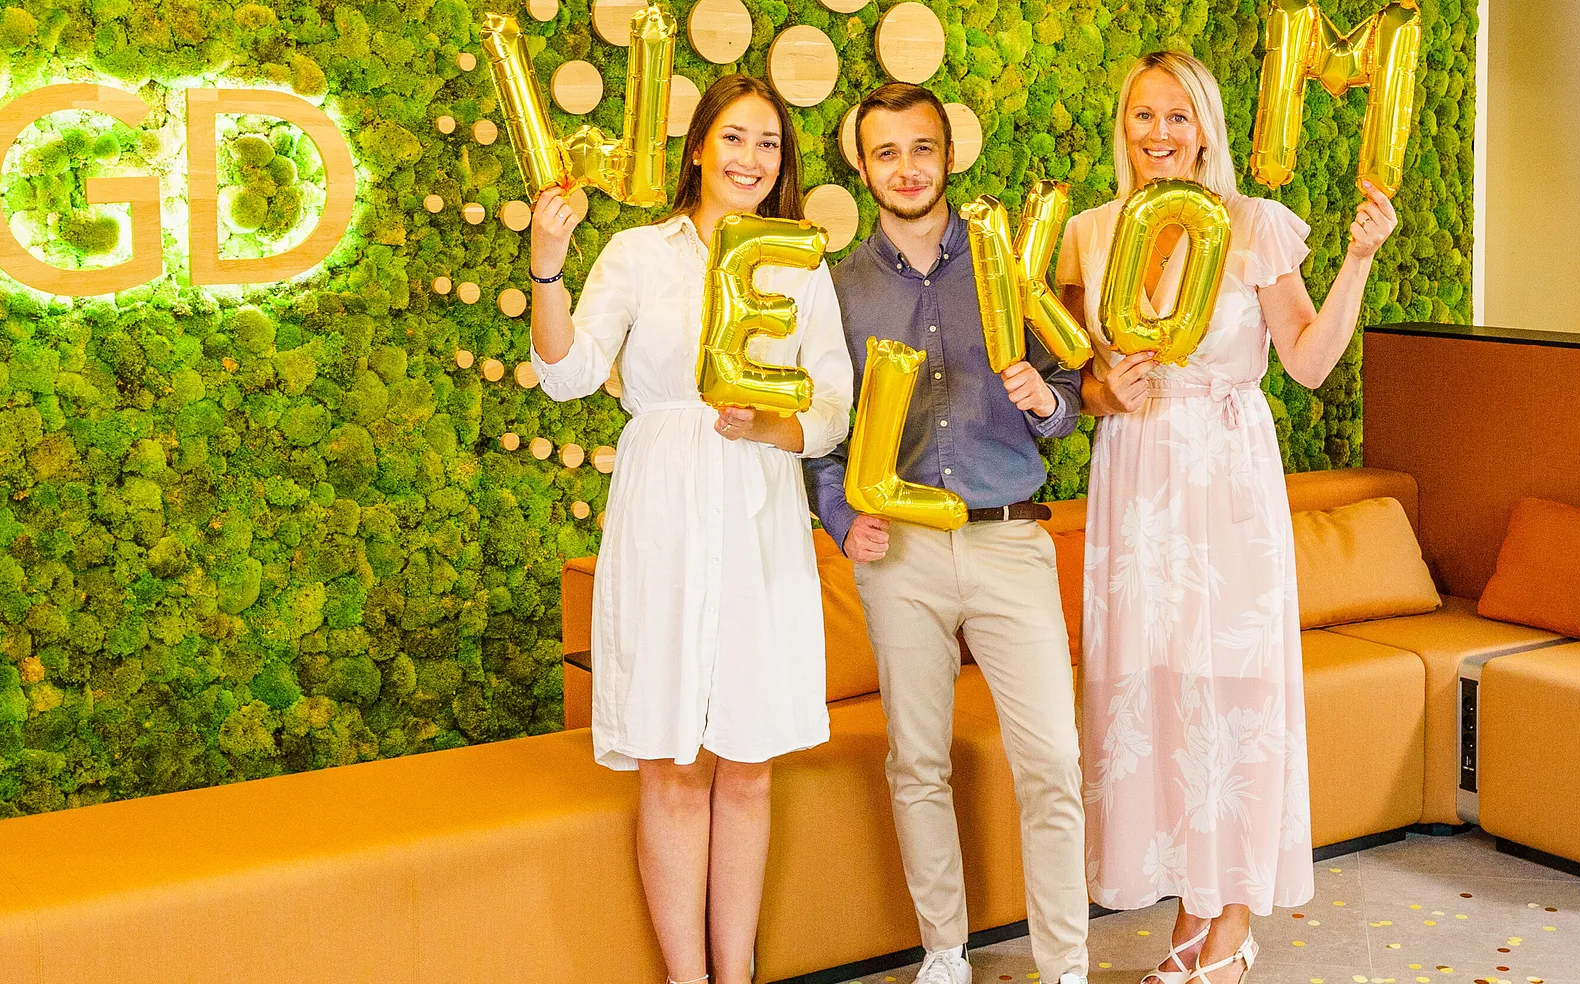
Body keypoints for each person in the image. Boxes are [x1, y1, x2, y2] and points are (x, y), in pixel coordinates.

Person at [1055, 51, 1397, 984]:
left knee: (1232, 688)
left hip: (1228, 477)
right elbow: (1075, 387)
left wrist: (1359, 258)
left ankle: (1234, 918)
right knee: (1158, 689)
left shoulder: (1254, 227)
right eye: (1141, 116)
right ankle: (1191, 906)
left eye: (1177, 116)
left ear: (1206, 127)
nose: (1158, 134)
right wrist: (1101, 391)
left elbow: (1310, 361)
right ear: (1121, 126)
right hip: (1135, 479)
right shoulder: (1089, 235)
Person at [528, 74, 852, 984]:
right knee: (674, 761)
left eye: (771, 145)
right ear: (700, 147)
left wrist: (771, 427)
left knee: (746, 764)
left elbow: (832, 405)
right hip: (665, 504)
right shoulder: (638, 252)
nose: (752, 159)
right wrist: (546, 264)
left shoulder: (800, 265)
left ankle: (737, 976)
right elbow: (566, 371)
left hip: (758, 504)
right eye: (736, 138)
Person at [805, 83, 1091, 984]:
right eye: (886, 153)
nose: (906, 167)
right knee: (917, 763)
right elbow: (819, 438)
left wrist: (1049, 402)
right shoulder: (835, 291)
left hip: (1011, 541)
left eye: (921, 148)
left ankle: (1067, 967)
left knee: (1051, 762)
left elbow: (1072, 392)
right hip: (903, 557)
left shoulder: (1009, 266)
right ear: (862, 166)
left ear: (949, 155)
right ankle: (944, 955)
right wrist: (844, 518)